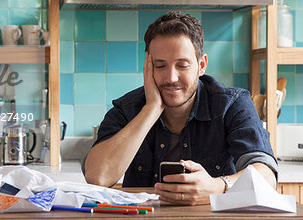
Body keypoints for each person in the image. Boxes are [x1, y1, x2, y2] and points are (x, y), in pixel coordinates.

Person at [83, 12, 278, 205]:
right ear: (147, 67)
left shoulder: (232, 104)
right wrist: (151, 109)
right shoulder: (128, 108)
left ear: (201, 65)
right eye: (160, 66)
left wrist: (218, 186)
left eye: (182, 65)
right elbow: (97, 177)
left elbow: (266, 176)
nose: (171, 78)